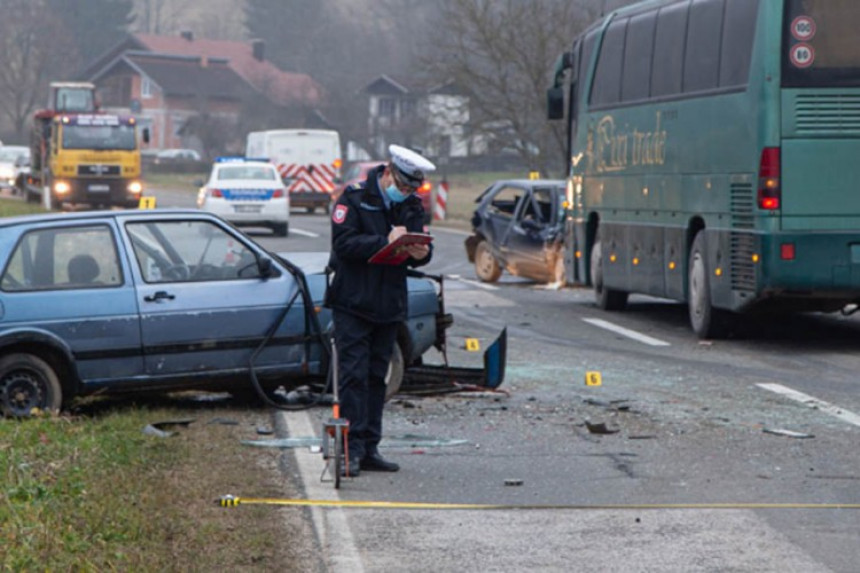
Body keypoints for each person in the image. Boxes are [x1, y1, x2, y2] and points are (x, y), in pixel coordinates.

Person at [326, 144, 435, 477]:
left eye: (411, 189)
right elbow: (343, 244)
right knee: (353, 377)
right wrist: (383, 241)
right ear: (388, 172)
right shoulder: (355, 198)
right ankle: (351, 449)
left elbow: (421, 244)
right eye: (402, 186)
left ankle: (370, 446)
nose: (405, 193)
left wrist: (420, 253)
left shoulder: (411, 205)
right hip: (353, 302)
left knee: (377, 378)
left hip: (388, 304)